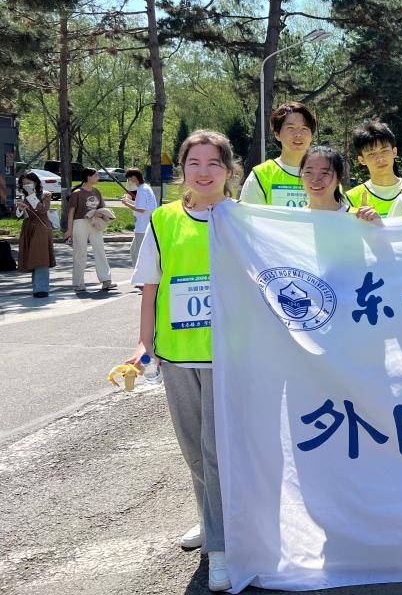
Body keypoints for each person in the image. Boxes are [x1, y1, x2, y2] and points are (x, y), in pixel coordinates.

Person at [126, 130, 240, 592]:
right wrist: (143, 343)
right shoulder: (164, 220)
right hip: (177, 354)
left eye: (214, 163)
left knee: (216, 452)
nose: (204, 171)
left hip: (229, 357)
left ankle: (222, 548)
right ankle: (210, 519)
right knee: (193, 448)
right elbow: (150, 287)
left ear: (228, 170)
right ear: (183, 170)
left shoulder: (244, 219)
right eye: (195, 163)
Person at [240, 101, 316, 207]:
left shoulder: (328, 175)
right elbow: (247, 216)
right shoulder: (261, 175)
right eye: (291, 128)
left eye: (304, 128)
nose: (298, 134)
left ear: (311, 135)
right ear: (277, 134)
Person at [345, 119, 402, 218]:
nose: (380, 158)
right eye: (371, 153)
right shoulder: (351, 199)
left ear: (394, 152)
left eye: (384, 151)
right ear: (361, 160)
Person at [66, 168, 114, 292]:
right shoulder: (77, 193)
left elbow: (102, 208)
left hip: (94, 223)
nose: (98, 177)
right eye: (95, 175)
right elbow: (71, 213)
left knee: (100, 250)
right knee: (80, 252)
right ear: (88, 177)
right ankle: (78, 283)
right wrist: (69, 230)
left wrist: (100, 214)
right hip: (80, 222)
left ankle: (106, 280)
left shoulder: (96, 191)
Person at [15, 170, 55, 298]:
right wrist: (20, 209)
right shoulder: (22, 196)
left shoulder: (45, 194)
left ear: (36, 182)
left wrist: (31, 195)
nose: (26, 185)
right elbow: (17, 215)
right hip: (28, 228)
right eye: (24, 183)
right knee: (32, 257)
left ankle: (42, 288)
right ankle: (37, 287)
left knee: (41, 257)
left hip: (41, 228)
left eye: (29, 183)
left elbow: (43, 209)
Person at [121, 168, 158, 268]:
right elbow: (140, 205)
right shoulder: (145, 187)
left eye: (129, 179)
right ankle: (139, 273)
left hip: (142, 227)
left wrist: (126, 204)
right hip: (145, 226)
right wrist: (128, 201)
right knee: (133, 251)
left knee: (138, 253)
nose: (129, 182)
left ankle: (142, 275)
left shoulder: (141, 190)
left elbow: (140, 209)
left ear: (134, 178)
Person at [299, 145, 353, 213]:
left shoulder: (354, 216)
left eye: (324, 173)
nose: (315, 180)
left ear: (338, 179)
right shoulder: (294, 217)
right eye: (308, 172)